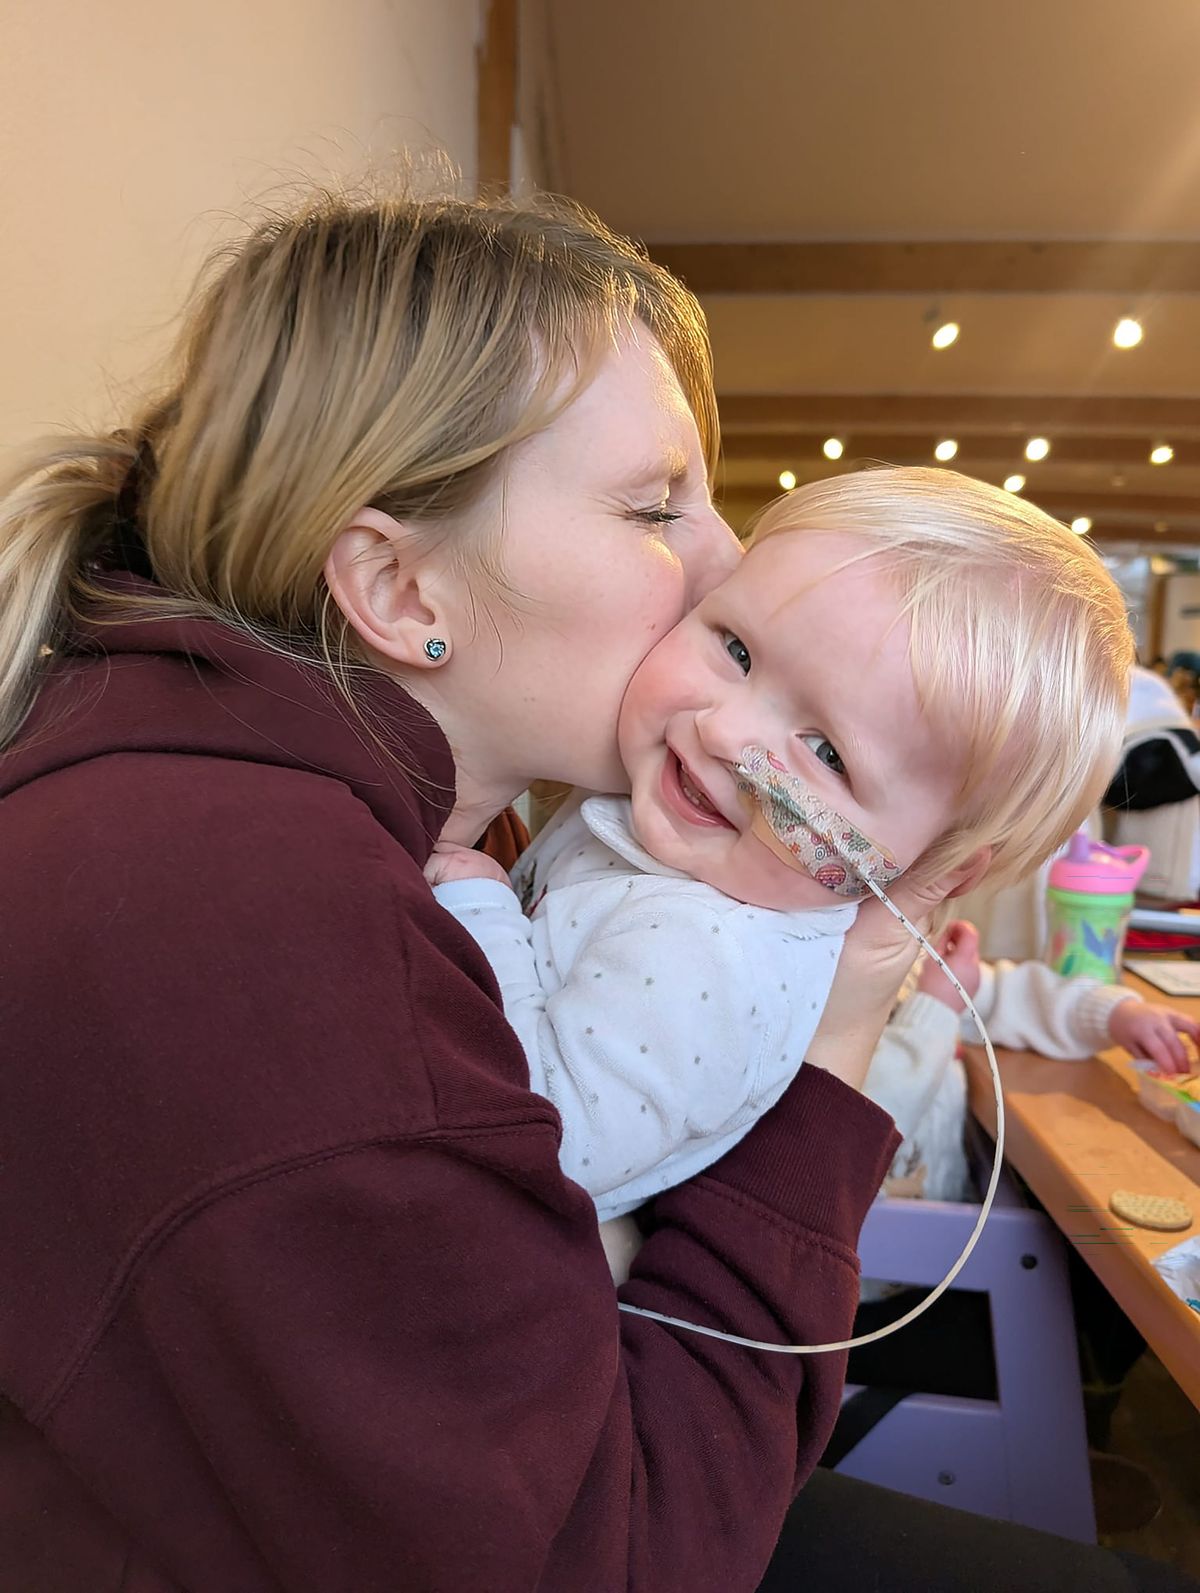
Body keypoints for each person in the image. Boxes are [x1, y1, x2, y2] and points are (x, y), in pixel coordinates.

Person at [0, 187, 1192, 1593]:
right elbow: (612, 1557)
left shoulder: (363, 813)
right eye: (655, 505)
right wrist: (838, 1052)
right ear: (399, 589)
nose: (728, 557)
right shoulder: (273, 931)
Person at [426, 468, 1134, 1232]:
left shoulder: (714, 956)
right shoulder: (674, 820)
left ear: (931, 870)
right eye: (737, 649)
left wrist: (478, 911)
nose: (725, 733)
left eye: (827, 754)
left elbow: (544, 1142)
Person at [865, 917, 1198, 1213]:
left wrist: (1113, 1014)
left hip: (944, 1211)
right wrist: (936, 1007)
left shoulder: (900, 956)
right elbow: (863, 1119)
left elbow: (1004, 994)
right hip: (878, 1247)